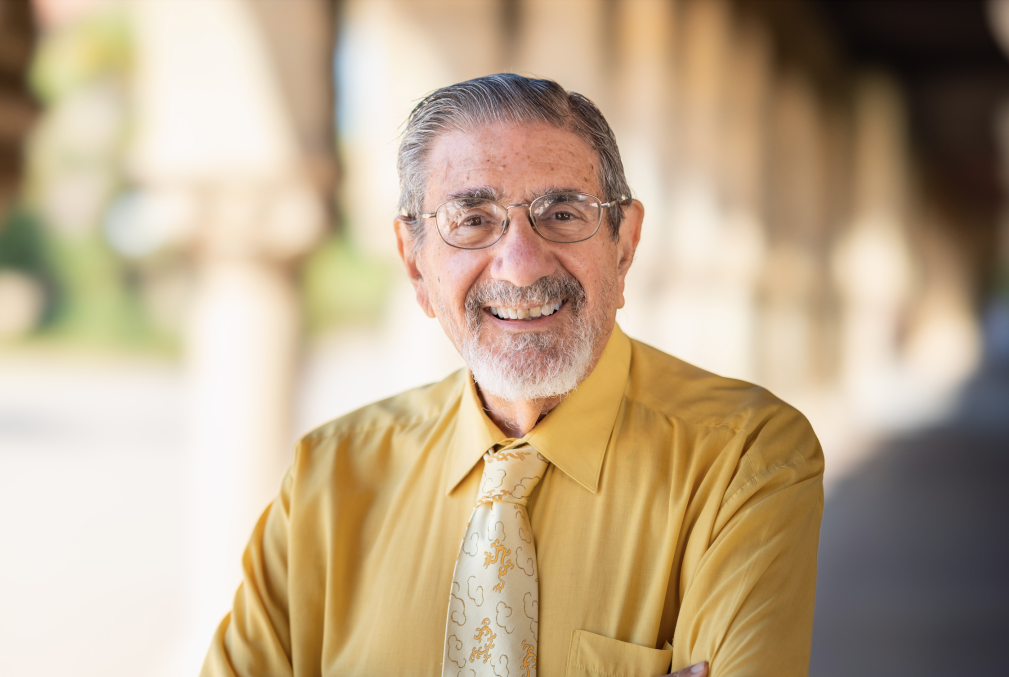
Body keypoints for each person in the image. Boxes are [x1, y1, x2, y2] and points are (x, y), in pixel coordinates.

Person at [200, 73, 824, 677]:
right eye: (472, 220)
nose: (521, 267)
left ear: (624, 244)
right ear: (415, 264)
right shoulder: (328, 479)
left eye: (561, 214)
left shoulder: (745, 458)